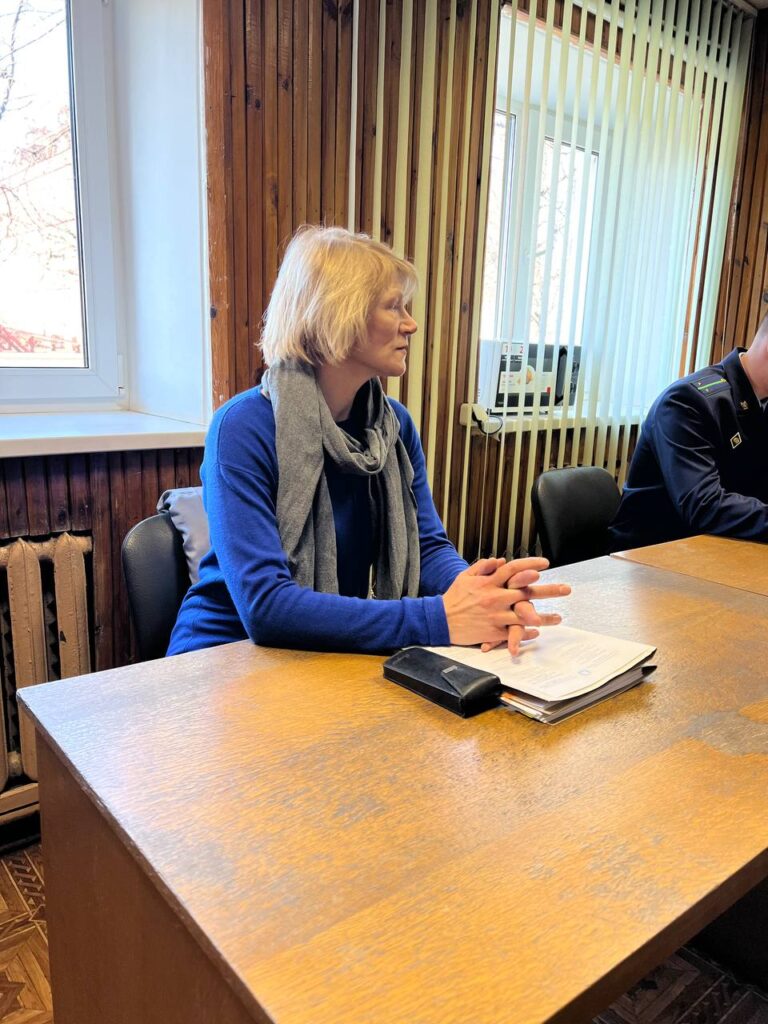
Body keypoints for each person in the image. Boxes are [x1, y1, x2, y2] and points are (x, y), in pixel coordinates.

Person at [168, 226, 569, 657]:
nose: (411, 324)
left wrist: (486, 594)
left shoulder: (394, 425)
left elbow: (427, 548)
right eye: (393, 306)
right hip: (223, 653)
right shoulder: (241, 428)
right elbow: (266, 607)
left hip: (327, 648)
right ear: (338, 314)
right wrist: (439, 618)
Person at [609, 316, 768, 551]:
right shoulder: (687, 402)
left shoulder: (761, 402)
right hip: (649, 555)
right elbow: (704, 505)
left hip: (719, 550)